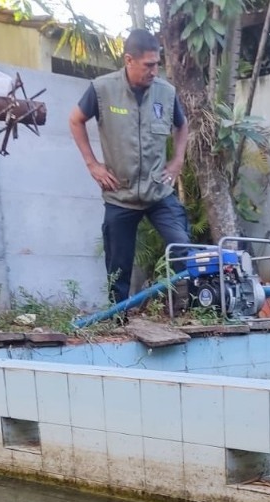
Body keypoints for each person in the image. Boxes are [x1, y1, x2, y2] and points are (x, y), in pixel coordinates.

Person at [68, 28, 191, 309]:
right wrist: (93, 164)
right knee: (118, 267)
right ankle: (118, 319)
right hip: (120, 194)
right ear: (129, 60)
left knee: (183, 246)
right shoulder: (102, 89)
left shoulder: (166, 92)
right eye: (149, 65)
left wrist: (177, 161)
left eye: (157, 64)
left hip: (157, 191)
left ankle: (181, 306)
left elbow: (181, 125)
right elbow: (75, 120)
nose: (154, 71)